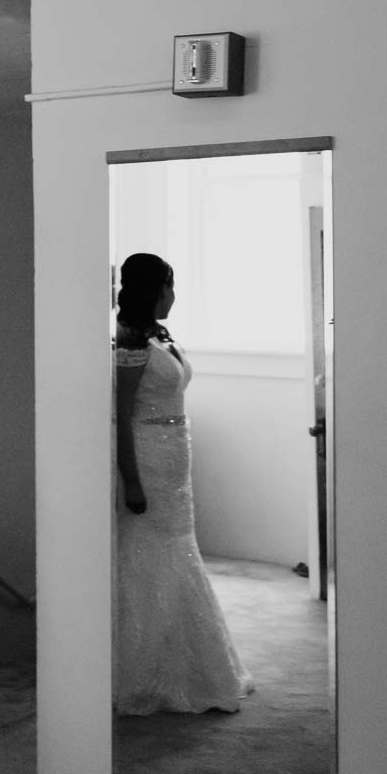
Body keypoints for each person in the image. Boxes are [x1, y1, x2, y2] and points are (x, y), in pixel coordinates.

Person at [112, 252, 252, 714]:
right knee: (152, 553)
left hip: (175, 454)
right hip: (149, 457)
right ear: (151, 290)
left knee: (180, 547)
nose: (174, 295)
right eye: (169, 286)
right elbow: (122, 415)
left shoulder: (159, 337)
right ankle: (144, 671)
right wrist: (132, 480)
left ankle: (188, 661)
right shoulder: (129, 344)